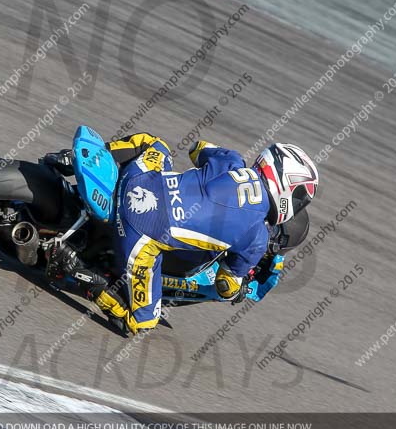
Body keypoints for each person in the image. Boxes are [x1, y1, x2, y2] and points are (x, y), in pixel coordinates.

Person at [46, 132, 319, 334]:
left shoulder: (232, 161)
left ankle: (71, 160)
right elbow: (225, 284)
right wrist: (238, 291)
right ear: (288, 188)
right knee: (141, 322)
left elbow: (197, 148)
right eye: (299, 199)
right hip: (139, 235)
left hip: (137, 179)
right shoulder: (256, 237)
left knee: (152, 142)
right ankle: (75, 270)